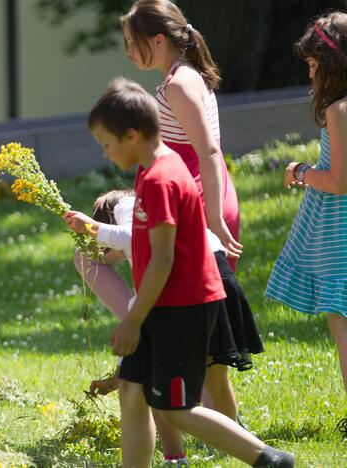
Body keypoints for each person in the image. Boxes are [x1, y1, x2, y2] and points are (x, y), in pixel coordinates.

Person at [86, 77, 293, 467]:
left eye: (106, 143)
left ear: (131, 136)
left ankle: (268, 459)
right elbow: (145, 246)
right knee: (132, 390)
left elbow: (164, 259)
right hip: (162, 305)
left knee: (177, 408)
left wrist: (133, 319)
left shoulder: (163, 178)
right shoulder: (149, 171)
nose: (105, 152)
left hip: (182, 306)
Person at [65, 189, 264, 465]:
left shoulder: (125, 208)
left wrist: (95, 228)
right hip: (218, 278)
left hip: (194, 287)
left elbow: (136, 237)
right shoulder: (158, 210)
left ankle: (177, 457)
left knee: (157, 378)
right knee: (217, 380)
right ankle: (232, 449)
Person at [265, 11, 347, 432]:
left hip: (341, 230)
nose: (311, 74)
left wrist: (299, 172)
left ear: (334, 64)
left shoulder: (338, 110)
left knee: (343, 324)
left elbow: (338, 182)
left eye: (315, 64)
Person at [121, 0, 242, 269]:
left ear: (158, 40)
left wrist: (214, 219)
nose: (128, 51)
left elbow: (208, 151)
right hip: (201, 193)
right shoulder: (182, 75)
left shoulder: (179, 84)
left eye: (133, 42)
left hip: (199, 198)